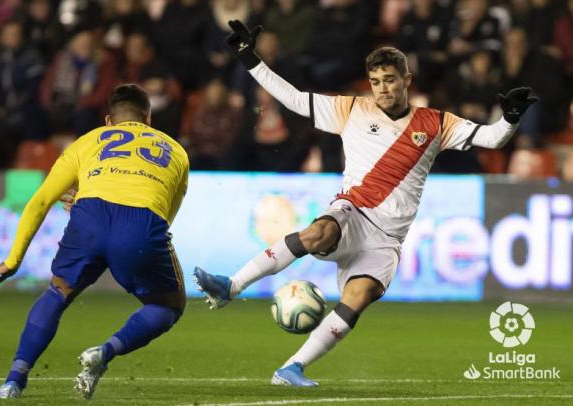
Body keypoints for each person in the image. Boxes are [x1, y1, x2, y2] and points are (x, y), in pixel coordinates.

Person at [194, 20, 538, 387]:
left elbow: (492, 138)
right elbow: (293, 98)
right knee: (319, 232)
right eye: (375, 81)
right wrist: (250, 59)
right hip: (352, 211)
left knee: (359, 296)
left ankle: (291, 368)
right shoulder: (352, 109)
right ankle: (231, 285)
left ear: (407, 80)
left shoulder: (436, 123)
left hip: (387, 239)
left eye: (389, 79)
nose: (382, 88)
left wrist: (511, 118)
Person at [0, 84, 190, 399]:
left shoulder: (87, 141)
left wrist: (13, 259)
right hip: (140, 225)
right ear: (148, 119)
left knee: (58, 291)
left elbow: (41, 201)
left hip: (89, 216)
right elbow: (164, 217)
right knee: (169, 305)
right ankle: (104, 352)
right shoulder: (176, 150)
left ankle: (13, 380)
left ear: (108, 120)